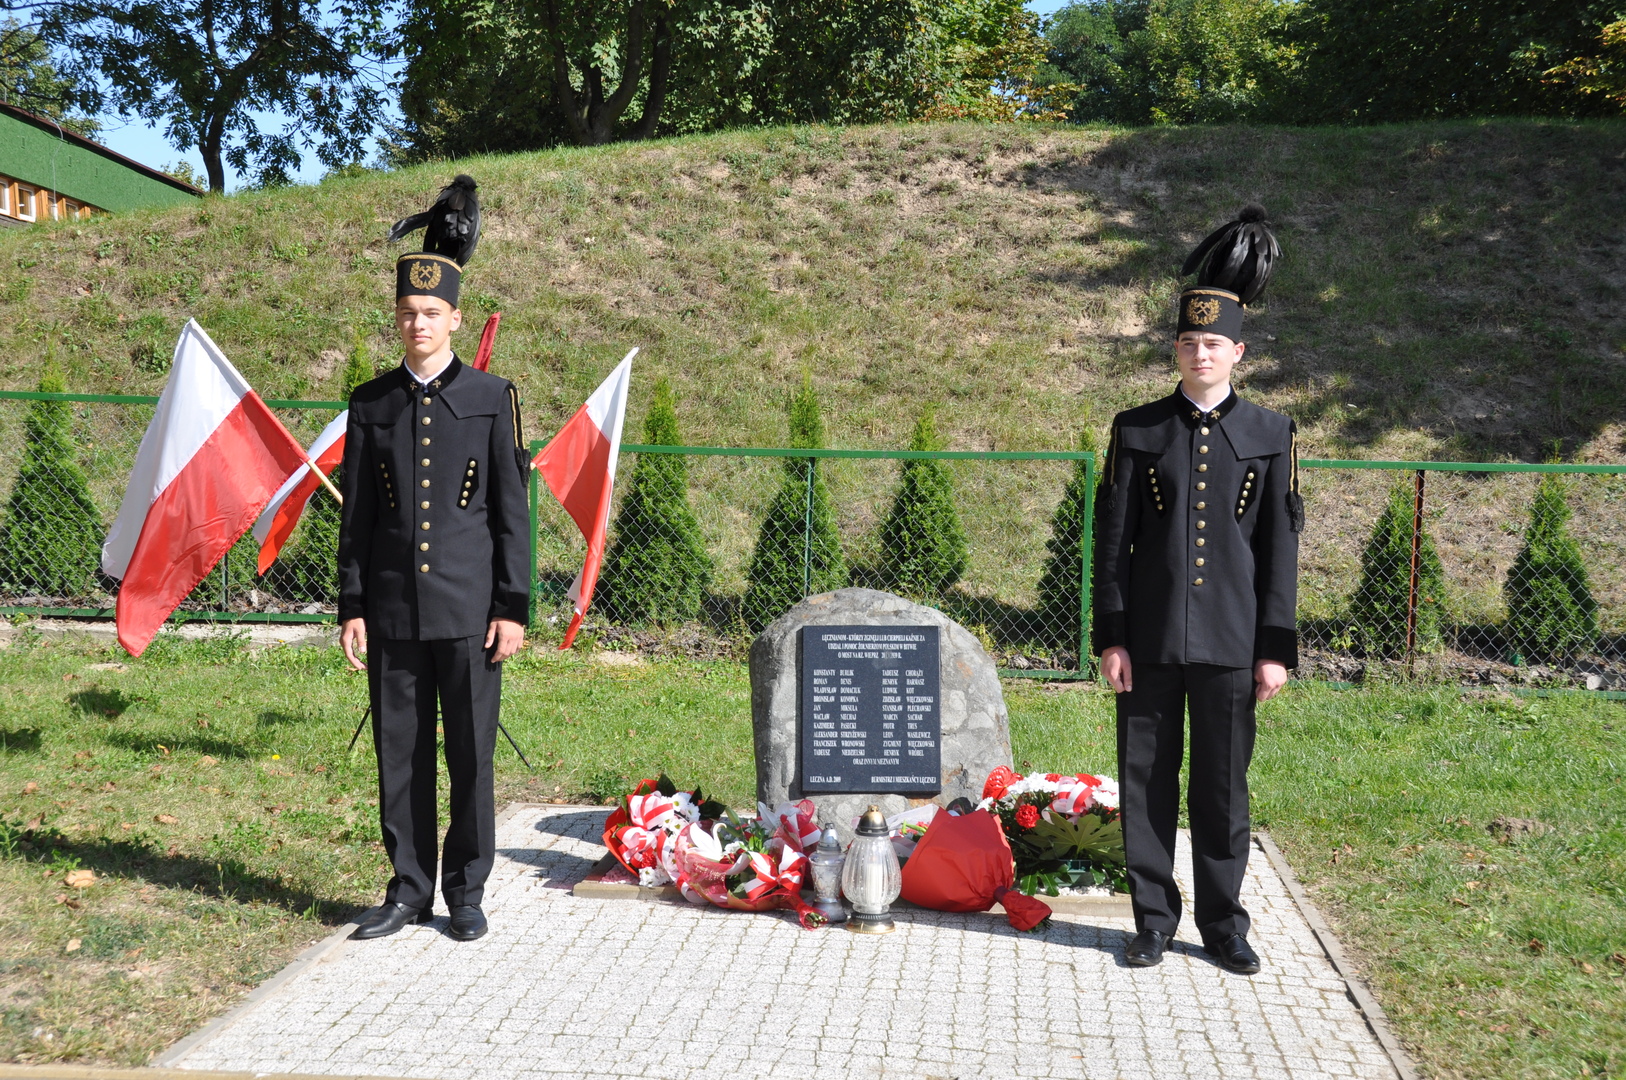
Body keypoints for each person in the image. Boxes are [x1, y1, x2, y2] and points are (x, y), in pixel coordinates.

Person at [1094, 206, 1300, 974]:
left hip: (1232, 643)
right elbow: (1113, 544)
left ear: (1238, 351)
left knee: (1221, 789)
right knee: (1146, 783)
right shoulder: (1138, 429)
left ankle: (1222, 926)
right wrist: (1112, 637)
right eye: (1188, 342)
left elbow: (1280, 550)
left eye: (1213, 344)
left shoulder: (1272, 434)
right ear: (1175, 349)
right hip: (1149, 642)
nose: (1199, 353)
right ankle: (1152, 920)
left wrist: (1274, 648)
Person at [337, 177, 530, 942]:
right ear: (397, 318)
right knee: (401, 755)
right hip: (392, 609)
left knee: (471, 758)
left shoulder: (490, 396)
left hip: (469, 612)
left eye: (430, 312)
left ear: (454, 318)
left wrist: (512, 607)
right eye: (407, 313)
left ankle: (466, 891)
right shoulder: (371, 402)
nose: (417, 324)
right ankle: (408, 889)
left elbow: (511, 513)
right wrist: (353, 604)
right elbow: (358, 514)